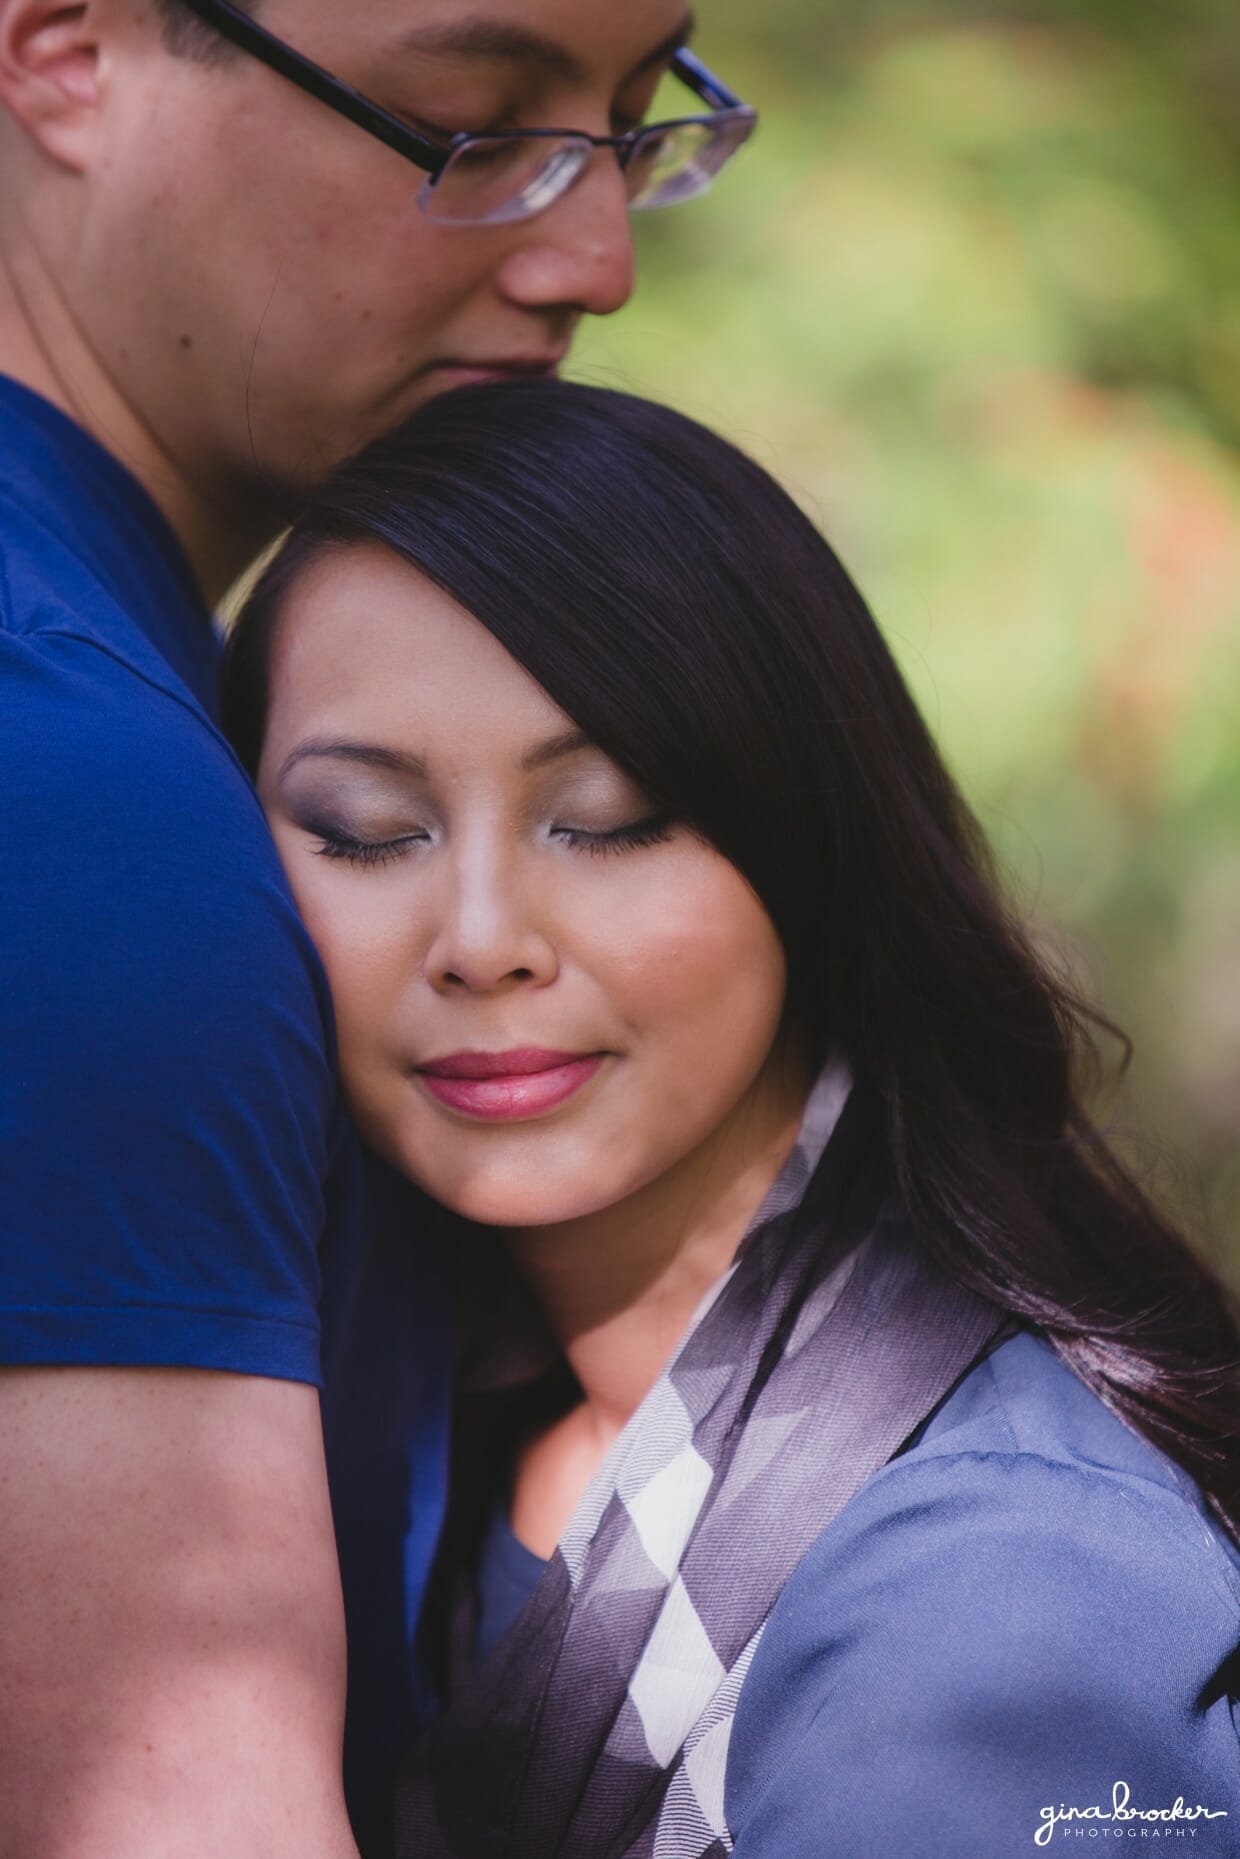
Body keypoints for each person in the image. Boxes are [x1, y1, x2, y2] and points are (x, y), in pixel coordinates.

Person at [223, 380, 1240, 1857]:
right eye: (369, 833)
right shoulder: (415, 1425)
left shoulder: (1001, 1602)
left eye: (609, 814)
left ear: (809, 843)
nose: (484, 936)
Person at [0, 1, 755, 1852]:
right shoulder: (81, 806)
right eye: (473, 127)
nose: (600, 263)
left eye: (637, 117)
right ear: (68, 47)